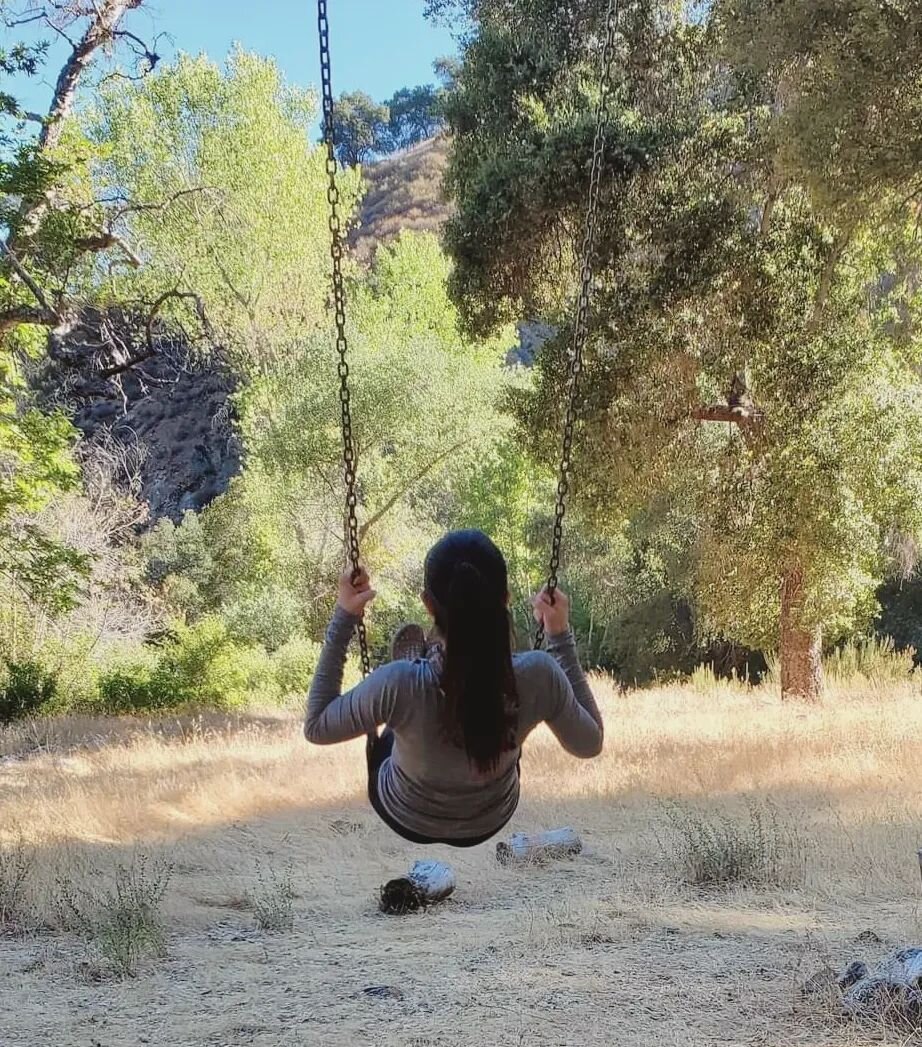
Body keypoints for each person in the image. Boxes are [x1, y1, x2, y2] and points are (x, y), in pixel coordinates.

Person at [305, 529, 603, 847]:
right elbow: (590, 743)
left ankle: (429, 659)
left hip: (406, 813)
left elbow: (317, 726)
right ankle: (437, 665)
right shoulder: (539, 675)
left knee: (399, 719)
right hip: (490, 815)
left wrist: (344, 617)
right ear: (506, 597)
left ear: (428, 605)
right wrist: (559, 634)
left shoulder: (397, 682)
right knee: (469, 708)